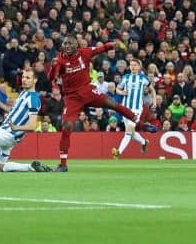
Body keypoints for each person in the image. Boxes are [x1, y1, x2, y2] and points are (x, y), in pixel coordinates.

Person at [49, 35, 137, 172]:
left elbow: (101, 49)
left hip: (87, 91)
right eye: (64, 43)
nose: (66, 46)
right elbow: (51, 78)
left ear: (76, 46)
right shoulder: (60, 59)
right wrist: (53, 67)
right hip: (72, 98)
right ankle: (63, 164)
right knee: (66, 127)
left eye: (69, 43)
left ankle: (137, 120)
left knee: (112, 103)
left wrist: (113, 44)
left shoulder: (85, 52)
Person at [112, 59, 156, 159]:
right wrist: (122, 92)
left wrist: (154, 102)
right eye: (131, 65)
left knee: (128, 131)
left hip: (136, 109)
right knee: (131, 133)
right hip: (125, 108)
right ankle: (144, 142)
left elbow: (152, 90)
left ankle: (118, 152)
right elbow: (117, 89)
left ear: (139, 67)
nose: (133, 67)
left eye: (135, 65)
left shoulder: (143, 78)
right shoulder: (126, 77)